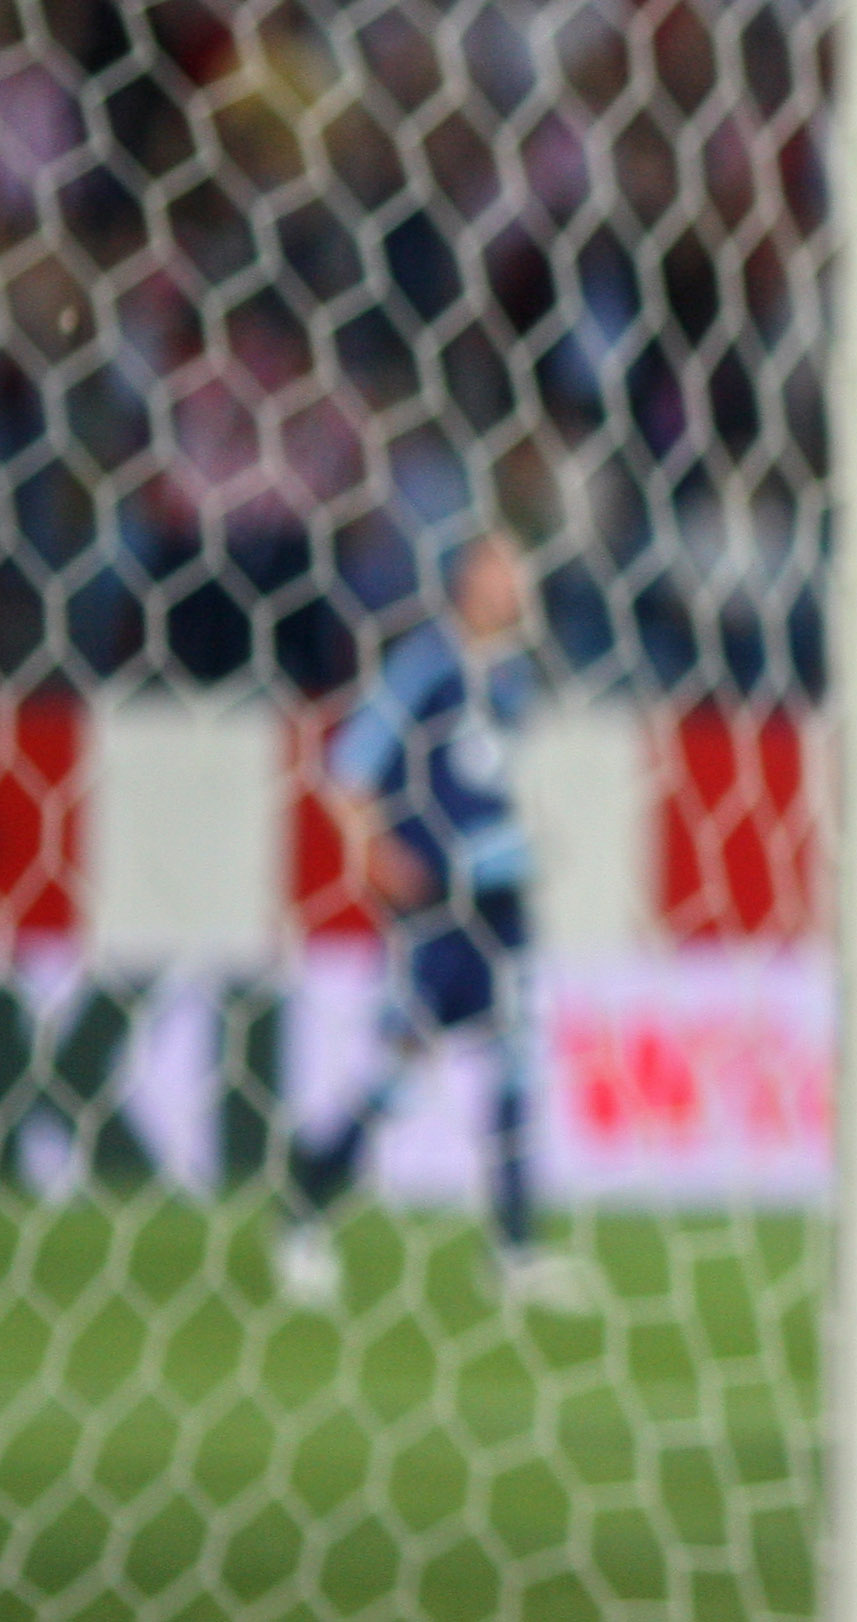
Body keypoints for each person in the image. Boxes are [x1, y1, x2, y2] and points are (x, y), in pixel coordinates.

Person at [274, 530, 595, 1311]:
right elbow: (346, 769)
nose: (513, 587)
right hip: (439, 908)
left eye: (519, 574)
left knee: (517, 1064)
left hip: (503, 902)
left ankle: (515, 1253)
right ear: (466, 582)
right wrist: (372, 851)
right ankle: (303, 1216)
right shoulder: (425, 667)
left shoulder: (513, 678)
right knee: (397, 1069)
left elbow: (478, 780)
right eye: (500, 571)